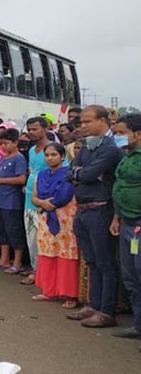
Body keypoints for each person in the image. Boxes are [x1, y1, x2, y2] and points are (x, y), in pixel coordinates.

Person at [66, 105, 124, 327]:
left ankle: (106, 310)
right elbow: (70, 172)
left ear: (102, 121)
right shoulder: (88, 146)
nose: (82, 126)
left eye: (87, 122)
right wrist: (82, 174)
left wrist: (82, 173)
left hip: (101, 210)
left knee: (105, 262)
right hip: (83, 209)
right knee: (91, 261)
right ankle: (93, 303)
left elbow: (86, 173)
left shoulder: (110, 148)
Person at [31, 143, 79, 308]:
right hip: (46, 218)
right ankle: (49, 291)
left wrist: (48, 204)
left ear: (62, 156)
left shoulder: (69, 174)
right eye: (47, 155)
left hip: (66, 219)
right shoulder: (41, 175)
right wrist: (43, 203)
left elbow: (64, 196)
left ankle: (69, 294)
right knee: (48, 251)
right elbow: (34, 197)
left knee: (66, 253)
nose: (50, 158)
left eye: (54, 155)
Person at [110, 114, 141, 339]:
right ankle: (138, 325)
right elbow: (121, 187)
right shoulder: (126, 157)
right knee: (130, 277)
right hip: (126, 223)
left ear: (137, 134)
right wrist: (117, 217)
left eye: (120, 133)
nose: (117, 137)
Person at [0, 128, 28, 274]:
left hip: (11, 202)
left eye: (6, 143)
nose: (4, 146)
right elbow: (1, 174)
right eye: (2, 143)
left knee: (14, 231)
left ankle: (17, 262)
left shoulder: (19, 158)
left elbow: (21, 179)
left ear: (15, 142)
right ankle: (3, 259)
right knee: (2, 231)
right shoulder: (4, 158)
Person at [23, 117, 54, 285]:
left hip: (44, 200)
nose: (31, 132)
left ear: (45, 129)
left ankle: (43, 273)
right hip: (29, 198)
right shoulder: (31, 150)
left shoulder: (53, 149)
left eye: (35, 129)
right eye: (29, 129)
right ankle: (35, 269)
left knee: (43, 238)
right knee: (31, 237)